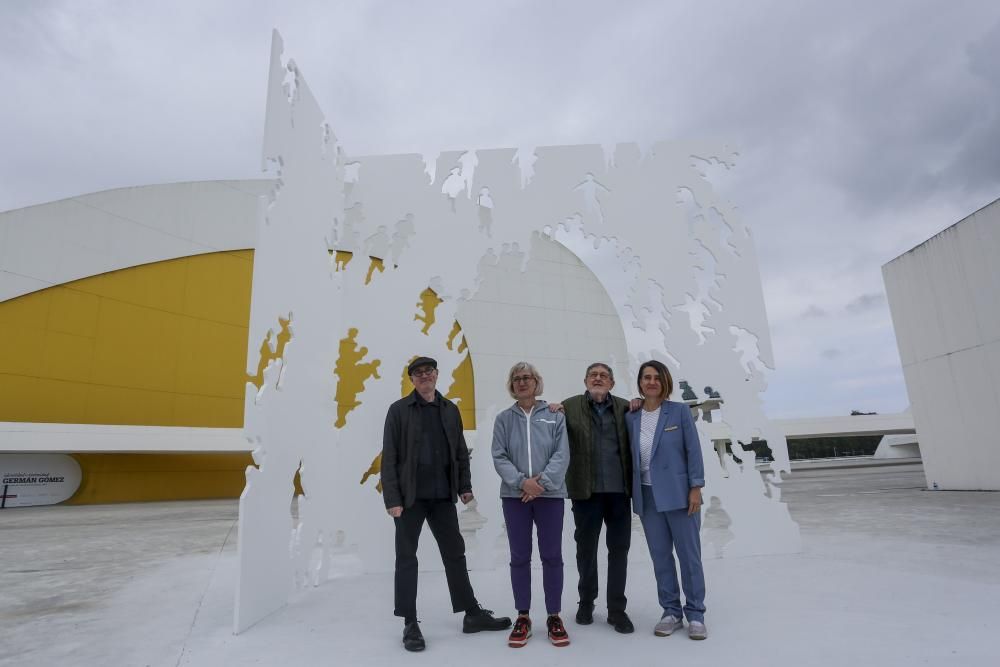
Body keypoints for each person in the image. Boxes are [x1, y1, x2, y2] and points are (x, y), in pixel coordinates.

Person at [381, 356, 512, 652]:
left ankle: (471, 614)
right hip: (409, 500)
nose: (424, 376)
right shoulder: (399, 411)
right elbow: (389, 457)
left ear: (437, 375)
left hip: (442, 498)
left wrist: (464, 488)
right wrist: (392, 499)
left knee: (455, 554)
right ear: (412, 380)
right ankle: (410, 622)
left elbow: (459, 454)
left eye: (428, 371)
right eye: (418, 373)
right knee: (406, 559)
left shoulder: (450, 410)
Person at [625, 359, 708, 640]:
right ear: (640, 383)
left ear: (665, 382)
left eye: (656, 377)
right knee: (661, 558)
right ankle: (671, 611)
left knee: (689, 557)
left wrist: (696, 486)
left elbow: (693, 451)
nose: (651, 382)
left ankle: (696, 614)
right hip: (648, 498)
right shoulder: (631, 416)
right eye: (646, 377)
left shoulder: (680, 412)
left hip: (680, 495)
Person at [491, 361, 571, 648]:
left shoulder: (554, 415)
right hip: (515, 498)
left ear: (536, 382)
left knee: (551, 556)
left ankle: (554, 616)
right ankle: (523, 616)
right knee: (520, 557)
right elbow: (499, 455)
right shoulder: (503, 419)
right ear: (511, 386)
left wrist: (541, 485)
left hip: (550, 497)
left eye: (527, 378)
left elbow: (562, 454)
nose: (522, 382)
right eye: (516, 379)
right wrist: (522, 483)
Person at [559, 362, 635, 633]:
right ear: (585, 380)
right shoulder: (568, 407)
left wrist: (639, 403)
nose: (598, 378)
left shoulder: (627, 408)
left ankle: (616, 610)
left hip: (619, 493)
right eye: (593, 375)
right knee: (586, 552)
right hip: (585, 492)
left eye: (604, 376)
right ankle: (586, 603)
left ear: (612, 383)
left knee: (619, 551)